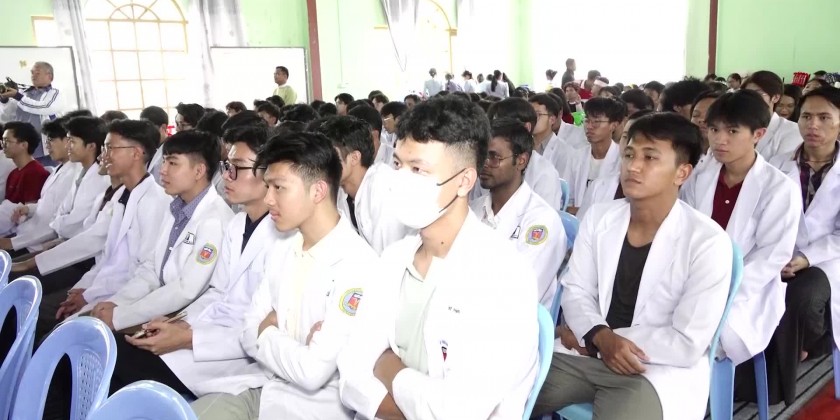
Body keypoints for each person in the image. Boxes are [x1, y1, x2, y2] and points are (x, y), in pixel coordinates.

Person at [337, 96, 539, 419]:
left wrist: (389, 368)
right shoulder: (394, 259)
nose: (401, 180)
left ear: (464, 181)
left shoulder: (502, 276)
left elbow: (458, 410)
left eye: (418, 169)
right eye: (398, 165)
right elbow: (351, 370)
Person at [535, 112, 732, 420]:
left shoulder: (707, 241)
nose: (633, 166)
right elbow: (576, 290)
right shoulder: (600, 217)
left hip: (652, 369)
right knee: (501, 389)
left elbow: (686, 341)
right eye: (629, 155)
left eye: (649, 157)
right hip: (584, 356)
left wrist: (603, 338)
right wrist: (599, 337)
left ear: (682, 172)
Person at [191, 131, 377, 419]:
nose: (268, 199)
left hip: (313, 409)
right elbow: (247, 333)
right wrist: (278, 337)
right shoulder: (284, 246)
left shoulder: (357, 263)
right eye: (268, 186)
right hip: (263, 389)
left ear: (318, 191)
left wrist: (266, 331)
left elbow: (312, 372)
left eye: (278, 188)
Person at [108, 124, 282, 402]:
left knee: (116, 361)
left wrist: (189, 338)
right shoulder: (238, 224)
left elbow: (262, 328)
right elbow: (217, 293)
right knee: (110, 352)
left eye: (238, 167)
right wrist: (179, 324)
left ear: (270, 174)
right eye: (227, 166)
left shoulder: (283, 239)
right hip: (206, 333)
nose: (227, 176)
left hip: (236, 356)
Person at [680, 90, 800, 370]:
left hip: (745, 290)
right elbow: (684, 231)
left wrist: (720, 289)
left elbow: (771, 257)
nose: (720, 139)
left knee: (698, 333)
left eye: (732, 131)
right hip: (692, 276)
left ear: (758, 134)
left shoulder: (779, 188)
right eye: (714, 129)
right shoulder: (700, 176)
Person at [35, 119, 170, 339]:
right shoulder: (121, 195)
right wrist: (83, 289)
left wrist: (90, 295)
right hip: (102, 289)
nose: (103, 155)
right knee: (38, 316)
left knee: (50, 333)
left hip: (124, 299)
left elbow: (143, 272)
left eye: (110, 148)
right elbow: (106, 257)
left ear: (136, 153)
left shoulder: (156, 201)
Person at [88, 129, 233, 331]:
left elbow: (185, 290)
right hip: (157, 307)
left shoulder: (214, 220)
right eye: (164, 161)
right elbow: (152, 269)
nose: (163, 170)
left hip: (185, 320)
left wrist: (121, 316)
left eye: (172, 163)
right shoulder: (176, 207)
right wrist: (117, 302)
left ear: (199, 171)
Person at [763, 86, 840, 406]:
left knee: (802, 297)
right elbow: (762, 216)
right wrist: (776, 255)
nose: (813, 125)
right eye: (806, 116)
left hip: (829, 258)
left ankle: (810, 347)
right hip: (780, 253)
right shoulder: (776, 164)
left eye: (824, 117)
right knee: (760, 292)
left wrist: (806, 257)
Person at [471, 118, 565, 308]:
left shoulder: (542, 221)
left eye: (494, 157)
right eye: (482, 156)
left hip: (512, 318)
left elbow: (518, 293)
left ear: (521, 161)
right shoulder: (472, 209)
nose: (485, 164)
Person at [1, 116, 108, 258]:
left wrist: (12, 243)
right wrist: (30, 209)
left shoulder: (86, 176)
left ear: (91, 146)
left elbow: (63, 221)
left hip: (46, 243)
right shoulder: (65, 170)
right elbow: (55, 209)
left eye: (71, 141)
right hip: (37, 238)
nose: (47, 146)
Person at [321, 116, 412, 254]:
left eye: (329, 157)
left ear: (354, 158)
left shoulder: (383, 188)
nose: (321, 165)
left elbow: (389, 258)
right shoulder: (341, 193)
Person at [484, 98, 563, 211]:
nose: (495, 132)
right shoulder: (484, 164)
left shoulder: (544, 173)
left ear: (526, 128)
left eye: (503, 127)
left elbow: (544, 217)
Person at [576, 109, 653, 220]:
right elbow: (581, 224)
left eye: (639, 139)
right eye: (625, 137)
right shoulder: (598, 187)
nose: (629, 145)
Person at [563, 97, 625, 215]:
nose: (589, 126)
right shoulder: (576, 156)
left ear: (613, 125)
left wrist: (582, 211)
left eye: (596, 122)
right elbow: (566, 197)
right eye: (587, 120)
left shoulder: (621, 159)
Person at [0, 62, 63, 162]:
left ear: (49, 76)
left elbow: (44, 107)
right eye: (32, 73)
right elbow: (8, 117)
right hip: (21, 149)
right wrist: (5, 100)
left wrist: (18, 96)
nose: (33, 75)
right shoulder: (23, 93)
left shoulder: (54, 93)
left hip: (45, 151)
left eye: (37, 73)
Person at [741, 70, 804, 160]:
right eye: (747, 94)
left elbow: (781, 165)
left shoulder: (792, 130)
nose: (751, 99)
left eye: (757, 93)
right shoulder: (738, 125)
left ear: (775, 97)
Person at [0, 121, 50, 206]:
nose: (3, 145)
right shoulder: (13, 173)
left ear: (23, 145)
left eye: (7, 141)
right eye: (2, 141)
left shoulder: (35, 173)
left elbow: (30, 210)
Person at [529, 93, 573, 176]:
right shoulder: (523, 146)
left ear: (552, 119)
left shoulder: (565, 152)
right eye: (529, 115)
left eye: (537, 115)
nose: (531, 119)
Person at [689, 90, 723, 170]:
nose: (701, 120)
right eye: (696, 115)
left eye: (709, 115)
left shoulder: (730, 160)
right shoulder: (681, 150)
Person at [141, 105, 170, 183]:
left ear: (163, 127)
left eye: (149, 128)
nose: (146, 132)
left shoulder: (171, 149)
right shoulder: (148, 148)